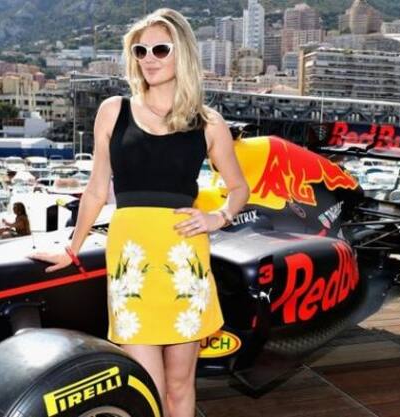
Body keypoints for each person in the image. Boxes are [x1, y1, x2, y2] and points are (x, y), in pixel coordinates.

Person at [28, 8, 249, 417]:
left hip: (184, 261)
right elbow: (97, 190)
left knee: (180, 385)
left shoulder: (208, 122)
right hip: (131, 264)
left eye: (160, 49)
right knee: (147, 386)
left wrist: (218, 217)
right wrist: (73, 248)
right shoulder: (114, 110)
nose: (148, 58)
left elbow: (239, 188)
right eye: (140, 50)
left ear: (182, 52)